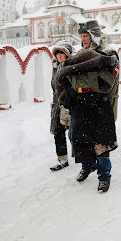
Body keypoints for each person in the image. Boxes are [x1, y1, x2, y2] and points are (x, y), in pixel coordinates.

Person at [57, 19, 119, 193]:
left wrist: (93, 69)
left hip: (99, 103)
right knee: (81, 139)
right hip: (80, 105)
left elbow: (110, 80)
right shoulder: (79, 55)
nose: (83, 39)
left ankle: (104, 176)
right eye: (81, 36)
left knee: (101, 142)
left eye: (86, 35)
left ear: (94, 36)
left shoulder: (107, 52)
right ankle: (88, 165)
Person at [49, 41, 74, 171]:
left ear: (67, 54)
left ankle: (85, 155)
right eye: (57, 54)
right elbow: (54, 87)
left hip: (70, 104)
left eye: (62, 53)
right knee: (58, 131)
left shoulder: (72, 67)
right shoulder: (55, 68)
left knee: (74, 133)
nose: (59, 56)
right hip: (58, 106)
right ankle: (62, 159)